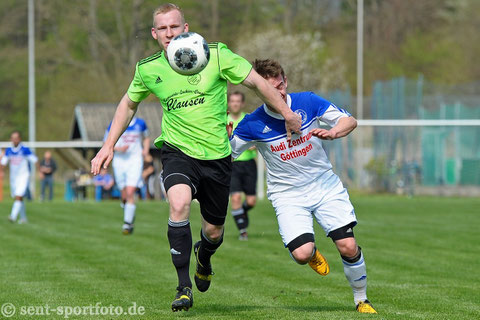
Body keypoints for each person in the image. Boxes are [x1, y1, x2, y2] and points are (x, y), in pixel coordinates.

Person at [90, 3, 301, 312]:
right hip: (177, 152)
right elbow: (128, 104)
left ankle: (205, 256)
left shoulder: (216, 55)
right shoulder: (148, 69)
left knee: (214, 232)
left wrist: (286, 113)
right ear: (154, 33)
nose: (168, 33)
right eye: (162, 28)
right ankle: (183, 287)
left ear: (185, 28)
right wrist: (108, 144)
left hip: (217, 156)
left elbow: (256, 82)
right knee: (178, 204)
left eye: (174, 26)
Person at [229, 59, 377, 314]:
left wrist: (334, 133)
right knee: (301, 254)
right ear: (260, 90)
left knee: (348, 246)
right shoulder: (252, 124)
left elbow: (349, 121)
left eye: (281, 86)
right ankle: (311, 252)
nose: (279, 92)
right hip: (288, 196)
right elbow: (226, 155)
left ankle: (361, 300)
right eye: (271, 89)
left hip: (324, 186)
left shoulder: (307, 102)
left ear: (286, 81)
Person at [104, 117, 149, 234]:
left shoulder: (141, 123)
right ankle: (129, 210)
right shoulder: (114, 123)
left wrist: (146, 150)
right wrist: (119, 148)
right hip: (119, 161)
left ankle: (127, 224)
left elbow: (147, 137)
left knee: (130, 192)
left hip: (135, 161)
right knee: (124, 194)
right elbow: (106, 143)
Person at [227, 91, 257, 240]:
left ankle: (241, 213)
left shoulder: (249, 119)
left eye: (238, 101)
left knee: (251, 201)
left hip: (249, 164)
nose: (235, 104)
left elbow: (258, 137)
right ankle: (242, 231)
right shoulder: (223, 120)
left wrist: (254, 144)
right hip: (232, 164)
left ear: (242, 103)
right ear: (229, 103)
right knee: (236, 198)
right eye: (232, 101)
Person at [1, 131, 38, 224]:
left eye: (16, 138)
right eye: (13, 138)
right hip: (13, 178)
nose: (14, 140)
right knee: (17, 197)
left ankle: (13, 216)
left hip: (23, 176)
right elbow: (3, 163)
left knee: (18, 196)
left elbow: (35, 160)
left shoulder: (25, 149)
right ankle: (23, 218)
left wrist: (40, 171)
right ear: (11, 139)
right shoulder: (9, 150)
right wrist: (1, 172)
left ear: (20, 139)